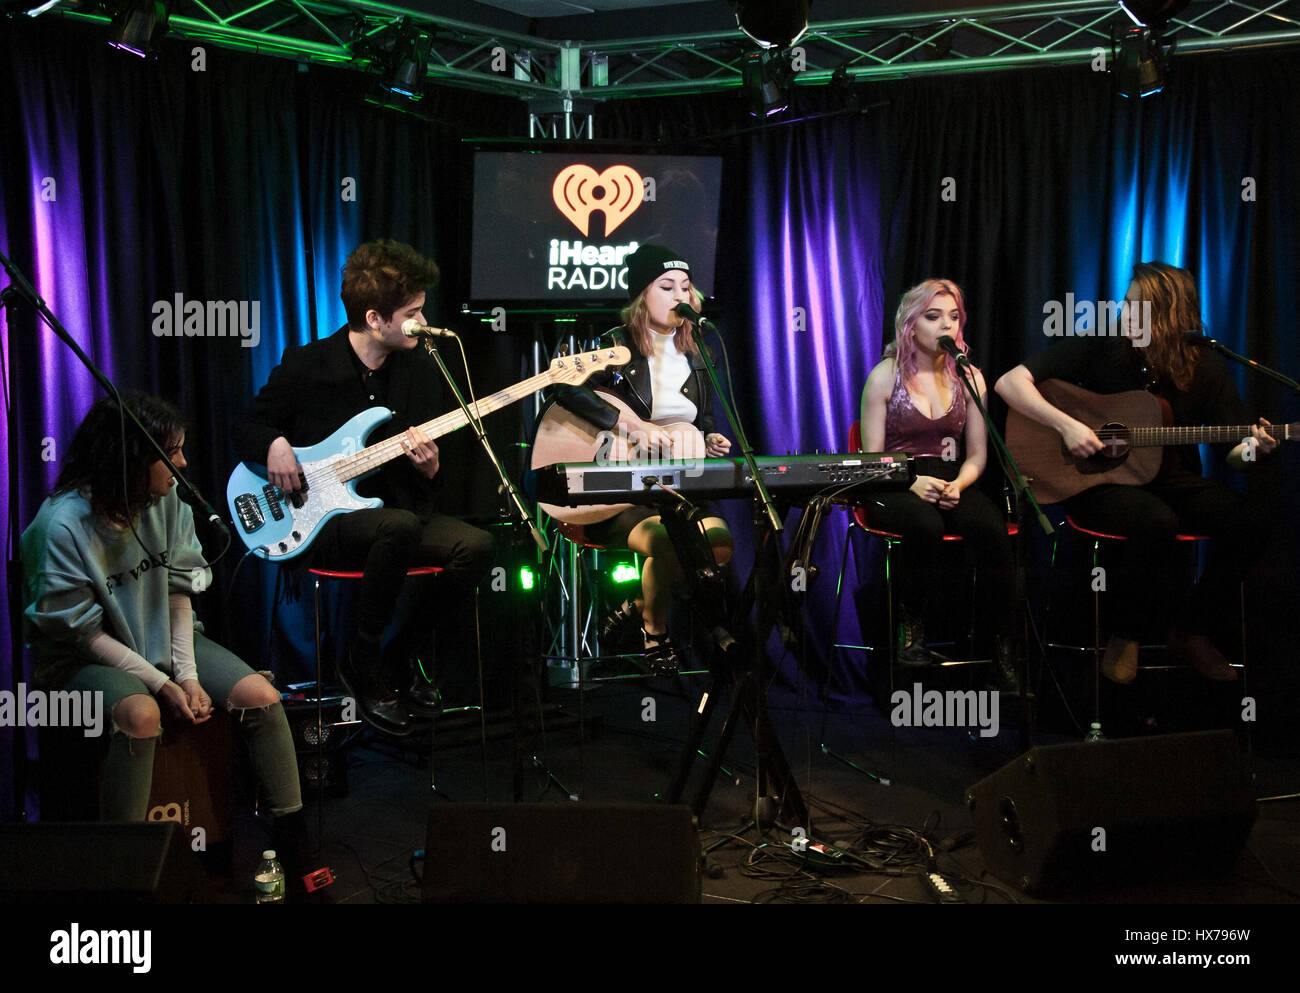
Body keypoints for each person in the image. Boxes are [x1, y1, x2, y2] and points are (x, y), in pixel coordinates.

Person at [22, 393, 308, 883]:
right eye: (170, 453)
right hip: (82, 657)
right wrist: (160, 684)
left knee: (262, 697)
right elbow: (83, 633)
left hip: (162, 642)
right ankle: (128, 871)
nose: (183, 464)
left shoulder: (168, 499)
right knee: (140, 713)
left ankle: (295, 847)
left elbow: (180, 592)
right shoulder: (62, 524)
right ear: (132, 458)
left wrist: (189, 676)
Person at [233, 240, 494, 733]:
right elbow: (245, 426)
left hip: (397, 517)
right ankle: (363, 661)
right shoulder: (308, 365)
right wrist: (274, 445)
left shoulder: (420, 368)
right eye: (413, 313)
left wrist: (430, 470)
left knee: (476, 546)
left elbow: (431, 478)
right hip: (323, 521)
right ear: (376, 318)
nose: (424, 321)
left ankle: (398, 656)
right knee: (395, 526)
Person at [995, 261, 1276, 683]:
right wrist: (1067, 426)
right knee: (1155, 522)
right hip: (1099, 482)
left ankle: (1192, 630)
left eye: (1134, 306)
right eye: (1126, 304)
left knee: (1253, 520)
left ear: (1167, 316)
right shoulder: (1102, 345)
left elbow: (1230, 453)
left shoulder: (1205, 367)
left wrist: (1254, 449)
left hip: (1171, 481)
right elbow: (1009, 383)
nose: (1123, 313)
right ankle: (1125, 637)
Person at [550, 244, 734, 670]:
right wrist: (629, 426)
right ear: (641, 295)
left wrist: (708, 438)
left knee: (719, 544)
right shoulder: (613, 347)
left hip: (676, 486)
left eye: (685, 287)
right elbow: (563, 386)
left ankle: (636, 604)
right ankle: (655, 634)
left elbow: (697, 418)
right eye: (666, 286)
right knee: (669, 539)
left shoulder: (699, 351)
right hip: (622, 490)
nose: (679, 296)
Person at [859, 279, 1013, 669]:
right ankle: (912, 629)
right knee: (924, 525)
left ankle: (999, 642)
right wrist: (911, 482)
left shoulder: (970, 378)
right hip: (893, 480)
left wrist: (959, 485)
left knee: (993, 528)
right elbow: (871, 459)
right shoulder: (884, 375)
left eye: (954, 317)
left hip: (950, 478)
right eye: (933, 316)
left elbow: (977, 454)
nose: (946, 325)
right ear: (911, 325)